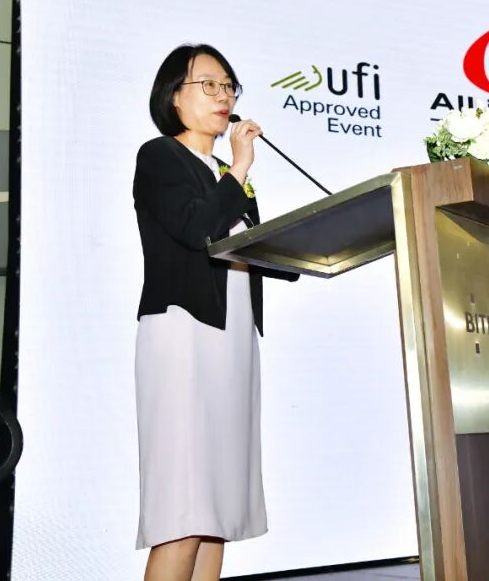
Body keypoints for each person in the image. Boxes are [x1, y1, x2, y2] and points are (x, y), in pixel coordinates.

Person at [132, 43, 298, 581]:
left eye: (228, 86)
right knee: (183, 513)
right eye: (208, 84)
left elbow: (254, 247)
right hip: (185, 335)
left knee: (214, 516)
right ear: (173, 98)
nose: (223, 95)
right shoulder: (160, 157)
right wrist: (241, 167)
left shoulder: (226, 171)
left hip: (233, 343)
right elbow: (196, 229)